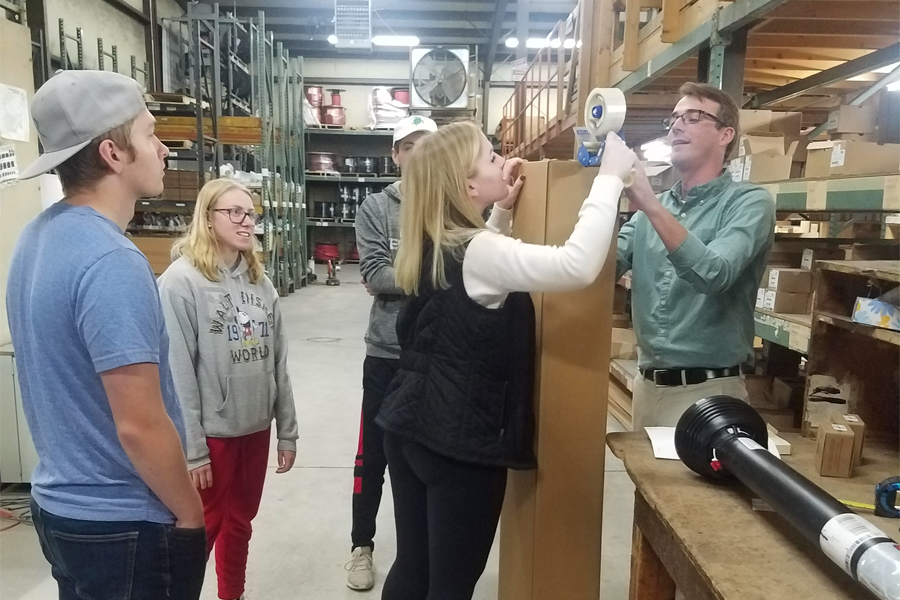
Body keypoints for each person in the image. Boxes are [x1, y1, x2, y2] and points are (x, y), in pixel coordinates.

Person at [375, 121, 636, 600]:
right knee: (451, 586)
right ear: (467, 185)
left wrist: (497, 212)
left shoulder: (431, 240)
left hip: (409, 427)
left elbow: (469, 289)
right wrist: (610, 180)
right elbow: (575, 265)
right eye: (491, 158)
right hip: (458, 445)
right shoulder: (480, 251)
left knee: (413, 568)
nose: (504, 161)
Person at [6, 70, 206, 599]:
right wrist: (189, 511)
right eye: (148, 134)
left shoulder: (37, 237)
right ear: (112, 153)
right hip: (121, 523)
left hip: (60, 507)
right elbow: (139, 423)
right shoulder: (112, 261)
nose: (163, 149)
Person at [157, 178, 299, 600]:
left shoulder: (261, 281)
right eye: (233, 212)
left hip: (255, 427)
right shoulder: (181, 282)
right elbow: (177, 370)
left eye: (250, 213)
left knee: (241, 522)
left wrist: (286, 430)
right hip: (214, 434)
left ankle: (230, 595)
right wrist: (194, 447)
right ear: (207, 218)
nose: (246, 222)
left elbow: (279, 361)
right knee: (205, 525)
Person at [617, 82, 776, 429]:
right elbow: (600, 265)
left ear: (725, 135)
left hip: (711, 392)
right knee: (642, 485)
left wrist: (650, 204)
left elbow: (713, 274)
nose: (676, 125)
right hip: (647, 389)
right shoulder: (649, 215)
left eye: (693, 117)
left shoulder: (749, 203)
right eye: (674, 119)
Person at [347, 115, 437, 590]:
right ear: (396, 153)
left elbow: (387, 278)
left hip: (438, 351)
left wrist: (401, 276)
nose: (419, 154)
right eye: (410, 146)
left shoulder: (449, 204)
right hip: (387, 353)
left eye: (429, 145)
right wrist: (439, 271)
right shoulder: (376, 207)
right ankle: (361, 546)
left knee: (425, 458)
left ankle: (416, 555)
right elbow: (375, 273)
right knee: (374, 457)